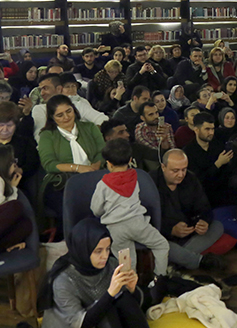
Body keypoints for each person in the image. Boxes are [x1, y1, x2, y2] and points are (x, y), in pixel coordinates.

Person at [38, 219, 149, 328]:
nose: (105, 256)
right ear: (83, 249)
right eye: (98, 251)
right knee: (106, 309)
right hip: (73, 324)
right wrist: (110, 294)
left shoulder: (111, 265)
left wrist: (132, 289)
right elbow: (81, 324)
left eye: (108, 249)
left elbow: (133, 307)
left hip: (100, 319)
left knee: (124, 299)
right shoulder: (64, 280)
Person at [90, 138, 170, 278]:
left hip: (115, 230)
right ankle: (159, 279)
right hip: (138, 224)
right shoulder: (135, 177)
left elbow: (96, 209)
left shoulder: (103, 184)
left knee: (127, 264)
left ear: (108, 163)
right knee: (161, 245)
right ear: (130, 160)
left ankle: (129, 291)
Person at [38, 95, 106, 227]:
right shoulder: (47, 135)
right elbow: (49, 164)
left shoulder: (89, 127)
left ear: (74, 109)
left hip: (94, 175)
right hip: (63, 182)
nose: (66, 117)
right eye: (60, 115)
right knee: (75, 208)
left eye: (69, 111)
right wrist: (78, 168)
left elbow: (102, 151)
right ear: (52, 117)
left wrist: (96, 165)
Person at [182, 112, 237, 206]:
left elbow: (227, 174)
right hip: (202, 196)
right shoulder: (188, 152)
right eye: (207, 129)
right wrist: (217, 164)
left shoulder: (218, 146)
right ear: (196, 130)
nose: (211, 132)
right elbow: (198, 180)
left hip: (223, 193)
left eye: (212, 129)